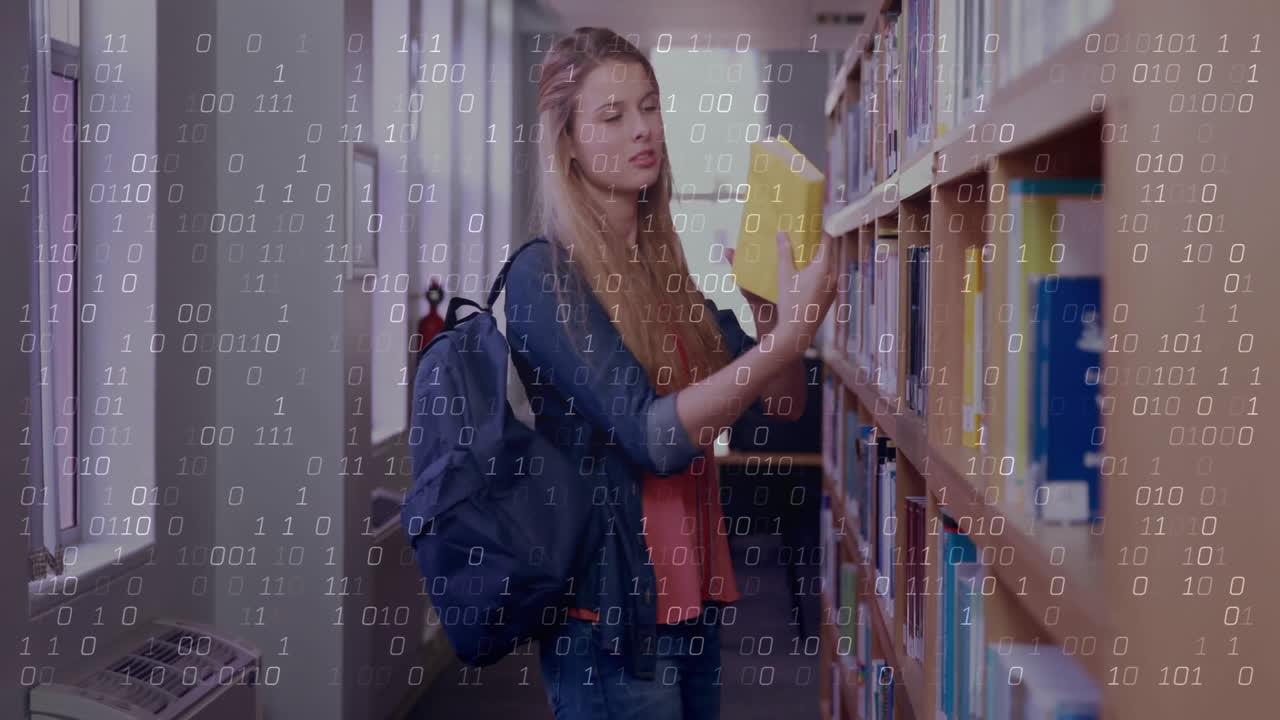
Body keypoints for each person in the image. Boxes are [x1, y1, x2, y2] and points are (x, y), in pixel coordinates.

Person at [502, 27, 838, 720]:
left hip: (692, 607)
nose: (641, 130)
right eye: (612, 115)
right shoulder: (547, 278)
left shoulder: (667, 278)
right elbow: (651, 437)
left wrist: (772, 320)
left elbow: (780, 407)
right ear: (566, 142)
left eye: (649, 107)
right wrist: (786, 342)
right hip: (611, 623)